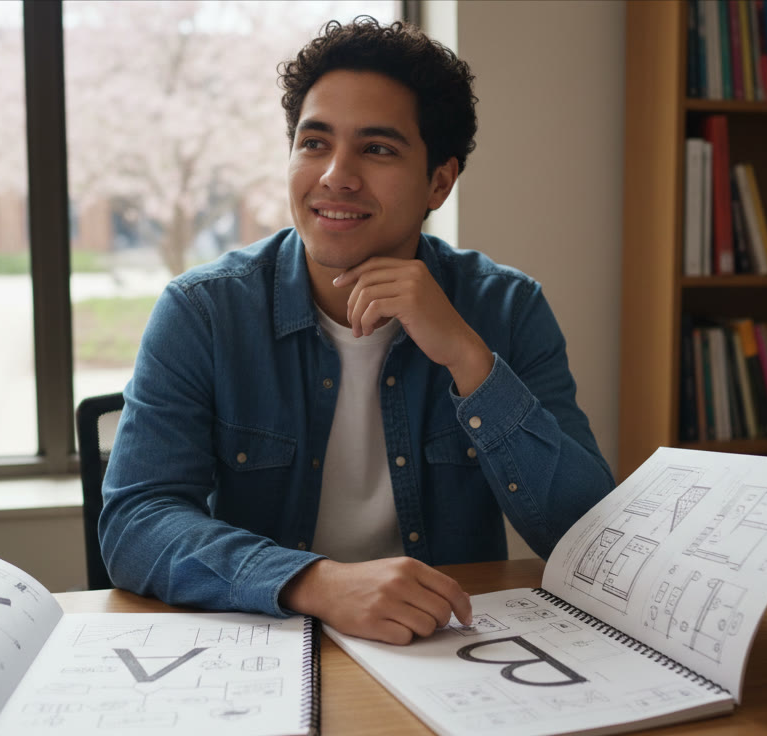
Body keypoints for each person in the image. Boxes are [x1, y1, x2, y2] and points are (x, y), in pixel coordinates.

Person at [99, 17, 615, 645]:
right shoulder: (203, 312)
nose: (335, 175)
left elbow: (589, 538)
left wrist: (468, 359)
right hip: (273, 645)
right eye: (314, 143)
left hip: (445, 649)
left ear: (439, 182)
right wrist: (314, 582)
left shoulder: (506, 307)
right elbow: (136, 522)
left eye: (377, 149)